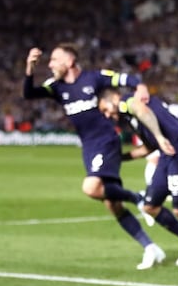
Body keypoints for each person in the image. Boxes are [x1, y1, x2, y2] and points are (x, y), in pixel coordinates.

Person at [22, 43, 169, 270]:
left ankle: (139, 198)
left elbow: (125, 78)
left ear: (69, 62)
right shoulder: (56, 87)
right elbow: (29, 93)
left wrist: (139, 86)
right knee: (113, 205)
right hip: (89, 147)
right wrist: (29, 67)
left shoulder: (94, 78)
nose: (50, 65)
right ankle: (151, 248)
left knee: (91, 187)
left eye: (54, 60)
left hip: (106, 140)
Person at [98, 88, 178, 269]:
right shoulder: (129, 116)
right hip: (167, 154)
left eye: (105, 109)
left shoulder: (127, 102)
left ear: (113, 98)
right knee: (150, 206)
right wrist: (119, 158)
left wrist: (158, 136)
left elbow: (143, 110)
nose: (108, 114)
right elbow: (148, 148)